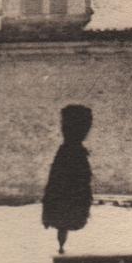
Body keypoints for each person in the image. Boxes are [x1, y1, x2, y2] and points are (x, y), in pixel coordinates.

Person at [42, 104, 93, 253]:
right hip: (69, 198)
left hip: (69, 198)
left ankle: (62, 245)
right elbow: (62, 181)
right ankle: (62, 245)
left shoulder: (68, 152)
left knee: (64, 224)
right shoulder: (71, 153)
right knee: (64, 222)